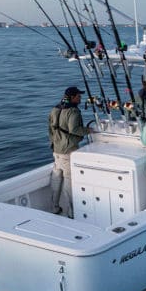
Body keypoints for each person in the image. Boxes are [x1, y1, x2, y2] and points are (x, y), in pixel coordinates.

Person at [48, 86, 93, 217]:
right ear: (72, 97)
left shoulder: (55, 109)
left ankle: (54, 207)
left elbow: (50, 129)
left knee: (56, 178)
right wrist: (88, 130)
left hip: (56, 150)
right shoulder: (73, 111)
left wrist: (55, 142)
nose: (80, 98)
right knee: (69, 181)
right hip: (68, 151)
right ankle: (72, 212)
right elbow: (74, 129)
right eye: (78, 96)